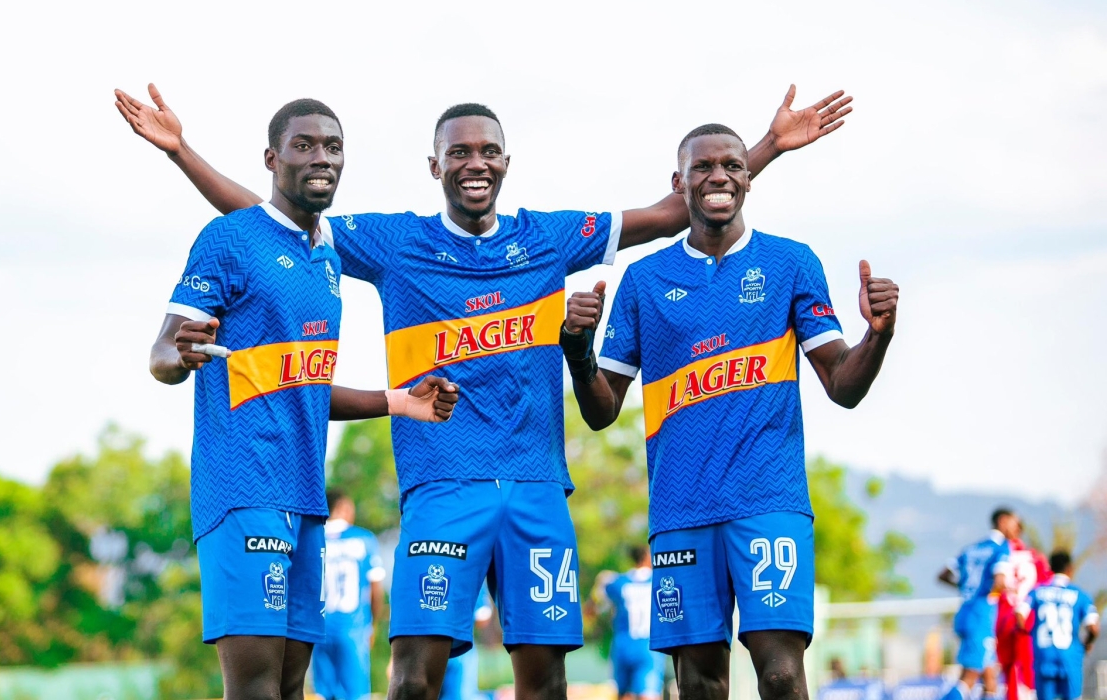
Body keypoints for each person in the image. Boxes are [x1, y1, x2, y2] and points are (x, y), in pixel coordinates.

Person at [115, 82, 852, 700]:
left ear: (506, 163)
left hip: (536, 489)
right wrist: (183, 152)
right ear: (433, 164)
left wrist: (763, 150)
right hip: (441, 485)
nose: (475, 164)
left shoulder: (552, 238)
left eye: (488, 151)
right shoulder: (394, 242)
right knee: (410, 681)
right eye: (459, 153)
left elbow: (676, 211)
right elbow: (277, 223)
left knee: (545, 679)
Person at [561, 123, 899, 700]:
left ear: (748, 179)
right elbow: (601, 412)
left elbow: (842, 384)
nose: (718, 176)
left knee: (781, 674)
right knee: (699, 684)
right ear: (680, 183)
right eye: (702, 167)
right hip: (681, 511)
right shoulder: (644, 280)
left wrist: (878, 336)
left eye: (732, 166)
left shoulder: (791, 262)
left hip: (769, 502)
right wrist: (577, 350)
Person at [139, 95, 459, 700]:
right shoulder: (228, 239)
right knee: (255, 689)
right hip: (242, 489)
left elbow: (303, 387)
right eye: (304, 145)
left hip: (304, 497)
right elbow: (161, 354)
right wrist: (179, 357)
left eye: (333, 147)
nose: (322, 158)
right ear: (272, 158)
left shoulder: (327, 259)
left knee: (291, 688)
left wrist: (399, 401)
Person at [937, 508, 1018, 700]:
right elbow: (999, 581)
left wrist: (965, 587)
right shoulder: (1001, 547)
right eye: (1016, 523)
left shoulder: (971, 548)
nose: (1017, 529)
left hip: (965, 612)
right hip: (981, 616)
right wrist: (1003, 591)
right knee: (969, 677)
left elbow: (943, 575)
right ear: (1003, 521)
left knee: (990, 677)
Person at [313, 490, 387, 700]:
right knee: (356, 694)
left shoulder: (313, 538)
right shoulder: (363, 538)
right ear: (344, 506)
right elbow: (375, 588)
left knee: (323, 693)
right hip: (353, 626)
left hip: (319, 627)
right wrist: (372, 624)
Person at [1016, 551, 1099, 700]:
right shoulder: (1080, 595)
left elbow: (1020, 615)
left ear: (1051, 568)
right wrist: (1087, 643)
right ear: (1069, 568)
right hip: (1070, 656)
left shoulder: (1037, 592)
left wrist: (1030, 634)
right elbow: (1093, 628)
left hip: (1043, 656)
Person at [594, 545, 665, 700]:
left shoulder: (618, 582)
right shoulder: (659, 580)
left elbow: (596, 603)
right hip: (649, 645)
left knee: (624, 694)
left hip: (622, 643)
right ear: (648, 557)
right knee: (649, 693)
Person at [998, 526, 1054, 700]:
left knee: (1010, 669)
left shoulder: (998, 555)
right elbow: (1048, 585)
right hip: (1029, 622)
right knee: (1028, 668)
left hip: (1004, 620)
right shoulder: (1035, 558)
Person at [439, 585, 495, 700]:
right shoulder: (471, 572)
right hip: (461, 644)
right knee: (462, 695)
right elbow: (482, 617)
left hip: (428, 642)